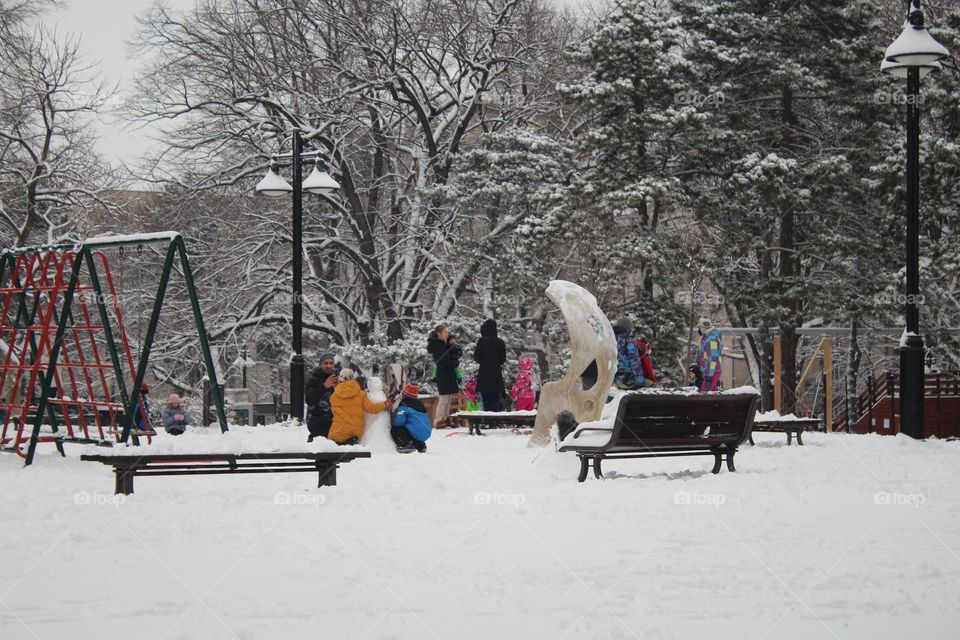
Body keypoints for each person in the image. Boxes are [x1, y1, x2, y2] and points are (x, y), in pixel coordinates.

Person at [329, 368, 388, 445]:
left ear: (340, 379)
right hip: (354, 431)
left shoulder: (334, 397)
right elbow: (371, 408)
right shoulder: (360, 394)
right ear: (352, 378)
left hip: (337, 430)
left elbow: (334, 412)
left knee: (333, 451)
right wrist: (384, 405)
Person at [427, 325, 460, 427]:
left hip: (448, 373)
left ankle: (446, 419)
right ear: (439, 333)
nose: (447, 333)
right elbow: (446, 361)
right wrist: (455, 363)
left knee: (449, 398)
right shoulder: (437, 346)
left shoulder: (443, 344)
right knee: (444, 398)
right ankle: (440, 420)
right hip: (443, 373)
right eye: (445, 332)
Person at [472, 319, 506, 411]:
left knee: (485, 400)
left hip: (484, 374)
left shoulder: (482, 342)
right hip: (496, 374)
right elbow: (502, 359)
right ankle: (494, 420)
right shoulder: (500, 342)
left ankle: (487, 421)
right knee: (495, 399)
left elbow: (477, 357)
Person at [305, 352, 339, 441]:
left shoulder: (338, 380)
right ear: (320, 365)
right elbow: (310, 400)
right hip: (317, 423)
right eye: (326, 363)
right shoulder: (313, 380)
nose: (329, 366)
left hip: (336, 423)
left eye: (331, 363)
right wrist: (324, 387)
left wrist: (338, 389)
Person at [391, 382, 432, 453]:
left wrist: (393, 416)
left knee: (395, 430)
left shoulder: (404, 406)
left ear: (405, 395)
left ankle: (407, 444)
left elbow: (398, 422)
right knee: (413, 426)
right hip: (426, 432)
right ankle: (421, 445)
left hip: (416, 432)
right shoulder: (420, 405)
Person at [612, 317, 646, 390]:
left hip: (612, 379)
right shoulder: (628, 341)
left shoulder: (611, 340)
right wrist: (640, 382)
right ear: (628, 328)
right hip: (627, 379)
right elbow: (635, 362)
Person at [696, 318, 723, 392]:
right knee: (711, 394)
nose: (698, 330)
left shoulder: (710, 339)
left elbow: (712, 358)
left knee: (705, 395)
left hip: (712, 372)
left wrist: (709, 375)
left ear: (703, 328)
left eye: (699, 328)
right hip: (712, 371)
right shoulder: (709, 337)